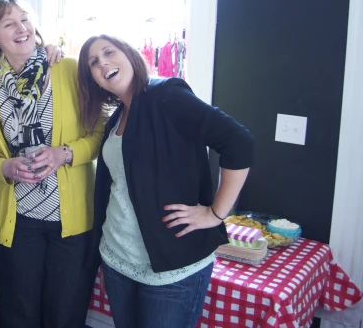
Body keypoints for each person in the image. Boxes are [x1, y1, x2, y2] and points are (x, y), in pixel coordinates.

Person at [77, 35, 255, 328]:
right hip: (118, 259)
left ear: (129, 54)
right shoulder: (116, 119)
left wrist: (215, 213)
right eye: (93, 63)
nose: (103, 62)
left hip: (173, 267)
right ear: (94, 80)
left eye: (109, 52)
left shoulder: (167, 95)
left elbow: (239, 142)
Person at [0, 0, 105, 328]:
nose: (21, 28)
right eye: (8, 24)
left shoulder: (70, 70)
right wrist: (5, 168)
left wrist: (65, 153)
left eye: (25, 19)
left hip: (71, 222)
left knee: (65, 315)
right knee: (18, 314)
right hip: (17, 222)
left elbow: (99, 133)